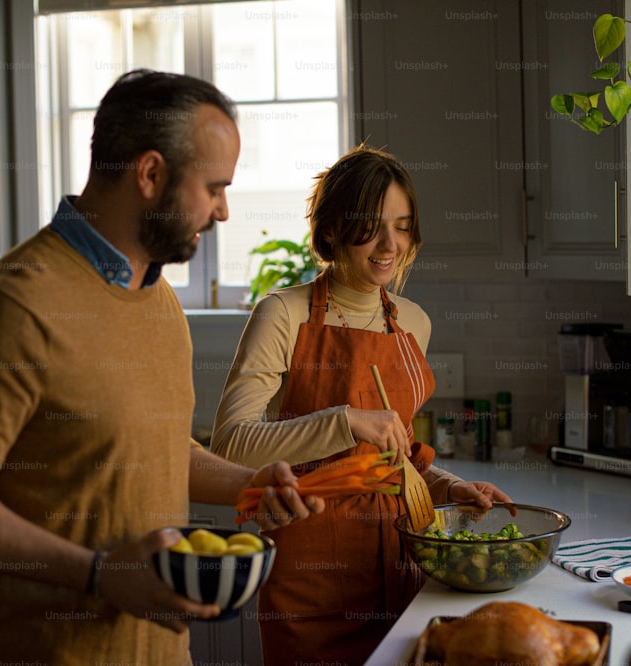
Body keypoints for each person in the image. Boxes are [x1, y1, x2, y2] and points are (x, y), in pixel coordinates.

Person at [0, 70, 324, 666]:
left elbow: (156, 448)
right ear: (149, 175)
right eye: (215, 187)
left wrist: (247, 485)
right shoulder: (12, 305)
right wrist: (98, 575)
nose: (222, 210)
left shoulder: (159, 299)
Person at [211, 145, 513, 665]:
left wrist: (448, 485)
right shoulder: (283, 314)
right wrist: (345, 421)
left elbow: (396, 459)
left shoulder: (413, 323)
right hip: (311, 577)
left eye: (402, 225)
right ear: (330, 229)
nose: (388, 244)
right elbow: (232, 443)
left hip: (401, 564)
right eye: (371, 225)